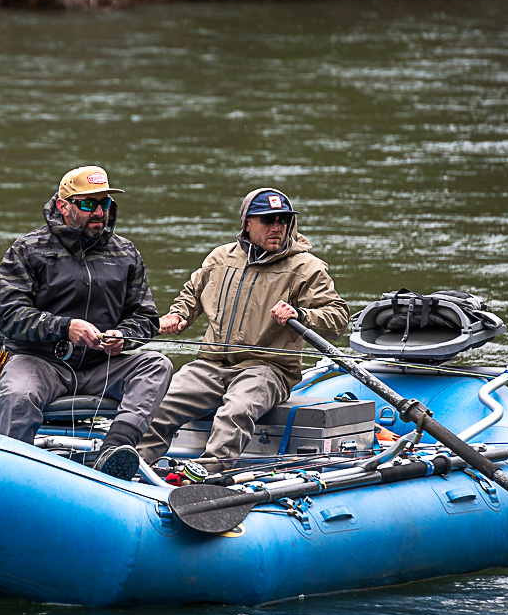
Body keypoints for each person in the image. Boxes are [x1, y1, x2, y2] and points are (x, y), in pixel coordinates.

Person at [136, 187, 349, 471]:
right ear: (247, 224)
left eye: (283, 220)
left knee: (234, 412)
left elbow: (338, 318)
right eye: (268, 220)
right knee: (158, 405)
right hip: (209, 366)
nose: (278, 227)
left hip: (267, 370)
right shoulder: (221, 258)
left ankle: (205, 475)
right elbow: (193, 292)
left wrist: (301, 314)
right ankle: (133, 468)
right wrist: (178, 314)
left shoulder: (307, 268)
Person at [0, 165, 173, 481]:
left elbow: (145, 318)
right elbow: (11, 317)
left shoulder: (126, 253)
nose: (99, 211)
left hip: (101, 366)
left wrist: (123, 337)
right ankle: (10, 475)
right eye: (88, 204)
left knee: (157, 365)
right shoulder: (26, 250)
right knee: (18, 394)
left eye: (104, 203)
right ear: (64, 207)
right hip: (41, 362)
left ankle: (115, 451)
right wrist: (65, 326)